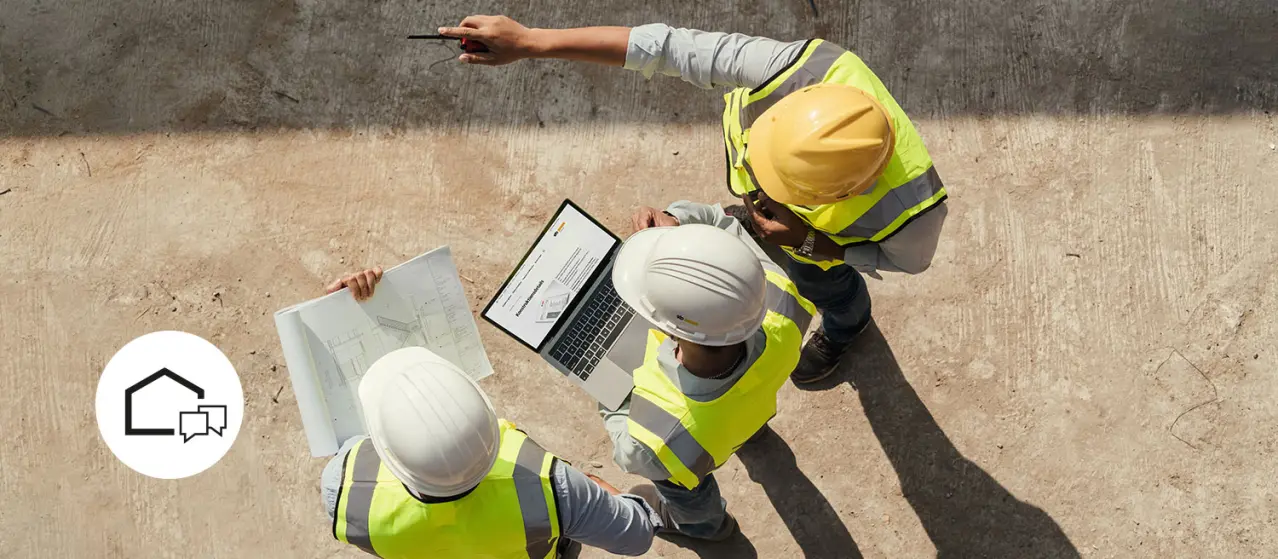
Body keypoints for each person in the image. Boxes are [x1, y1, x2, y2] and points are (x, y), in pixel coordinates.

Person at [438, 16, 949, 383]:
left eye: (776, 186)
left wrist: (816, 245)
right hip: (795, 231)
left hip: (817, 248)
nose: (757, 186)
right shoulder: (798, 69)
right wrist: (531, 42)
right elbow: (664, 48)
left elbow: (907, 264)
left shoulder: (915, 215)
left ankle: (847, 326)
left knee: (831, 289)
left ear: (841, 192)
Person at [319, 272, 663, 558]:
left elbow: (350, 435)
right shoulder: (553, 487)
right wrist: (599, 491)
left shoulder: (343, 490)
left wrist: (340, 317)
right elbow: (635, 535)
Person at [597, 206, 816, 540]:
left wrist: (604, 386)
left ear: (663, 328)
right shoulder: (782, 300)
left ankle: (707, 527)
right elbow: (721, 225)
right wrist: (679, 224)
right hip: (744, 411)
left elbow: (629, 454)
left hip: (692, 450)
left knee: (685, 490)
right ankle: (752, 434)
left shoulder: (655, 441)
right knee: (742, 414)